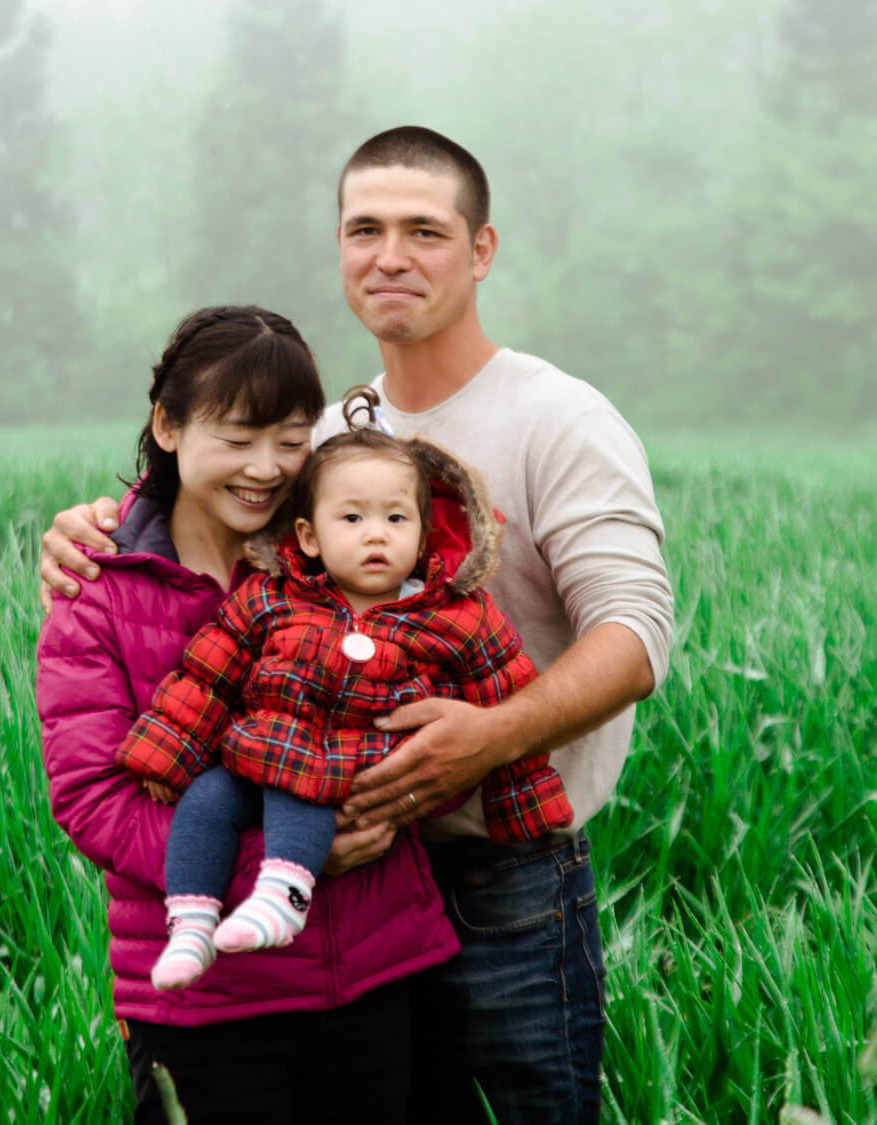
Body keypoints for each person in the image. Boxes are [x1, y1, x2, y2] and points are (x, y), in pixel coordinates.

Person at [39, 129, 675, 1125]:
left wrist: (486, 740)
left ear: (482, 249)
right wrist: (93, 528)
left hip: (503, 874)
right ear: (338, 247)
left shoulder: (558, 418)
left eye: (425, 230)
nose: (391, 255)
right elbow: (212, 497)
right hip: (354, 882)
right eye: (364, 229)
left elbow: (636, 634)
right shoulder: (332, 435)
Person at [35, 306, 460, 1125]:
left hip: (382, 975)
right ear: (167, 424)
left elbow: (441, 715)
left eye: (291, 438)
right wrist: (291, 866)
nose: (265, 467)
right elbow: (94, 799)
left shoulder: (346, 557)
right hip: (206, 1007)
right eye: (236, 438)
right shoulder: (97, 592)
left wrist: (395, 800)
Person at [117, 389, 573, 991]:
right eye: (352, 519)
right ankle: (192, 921)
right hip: (260, 753)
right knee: (204, 800)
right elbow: (210, 673)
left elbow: (504, 692)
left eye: (396, 518)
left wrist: (527, 809)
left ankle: (283, 895)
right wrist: (165, 755)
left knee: (297, 777)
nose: (375, 536)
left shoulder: (450, 614)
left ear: (426, 531)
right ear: (308, 536)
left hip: (356, 766)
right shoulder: (274, 598)